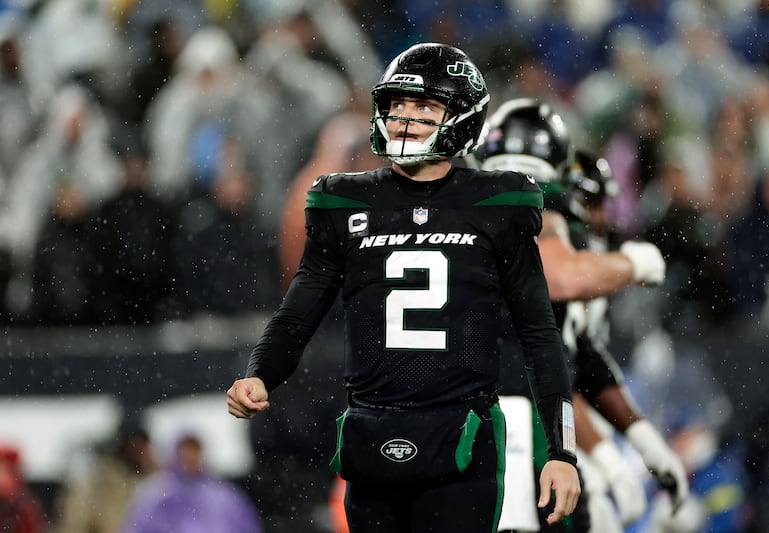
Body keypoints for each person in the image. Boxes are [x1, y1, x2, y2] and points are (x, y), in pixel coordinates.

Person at [227, 42, 581, 533]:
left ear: (462, 117)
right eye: (397, 105)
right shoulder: (344, 200)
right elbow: (298, 313)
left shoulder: (498, 203)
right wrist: (261, 373)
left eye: (425, 107)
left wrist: (562, 452)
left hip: (462, 436)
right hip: (372, 434)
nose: (405, 120)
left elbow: (539, 335)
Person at [472, 98, 688, 532]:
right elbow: (562, 280)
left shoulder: (468, 211)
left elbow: (578, 356)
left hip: (469, 415)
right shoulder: (530, 217)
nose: (596, 217)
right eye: (588, 202)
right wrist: (633, 263)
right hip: (498, 419)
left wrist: (642, 441)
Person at [120, 432, 261, 533]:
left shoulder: (224, 495)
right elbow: (137, 526)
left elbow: (247, 525)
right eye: (187, 452)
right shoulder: (156, 492)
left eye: (195, 452)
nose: (191, 458)